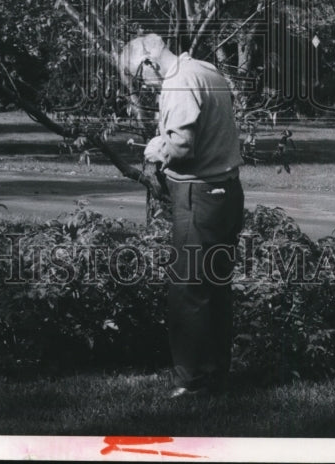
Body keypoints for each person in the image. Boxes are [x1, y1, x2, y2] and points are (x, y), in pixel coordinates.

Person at [121, 33, 244, 398]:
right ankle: (216, 373)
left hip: (197, 193)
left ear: (149, 60)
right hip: (227, 192)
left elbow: (182, 146)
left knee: (188, 290)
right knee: (216, 286)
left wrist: (157, 148)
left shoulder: (178, 84)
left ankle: (190, 381)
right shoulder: (205, 69)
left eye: (138, 75)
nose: (143, 84)